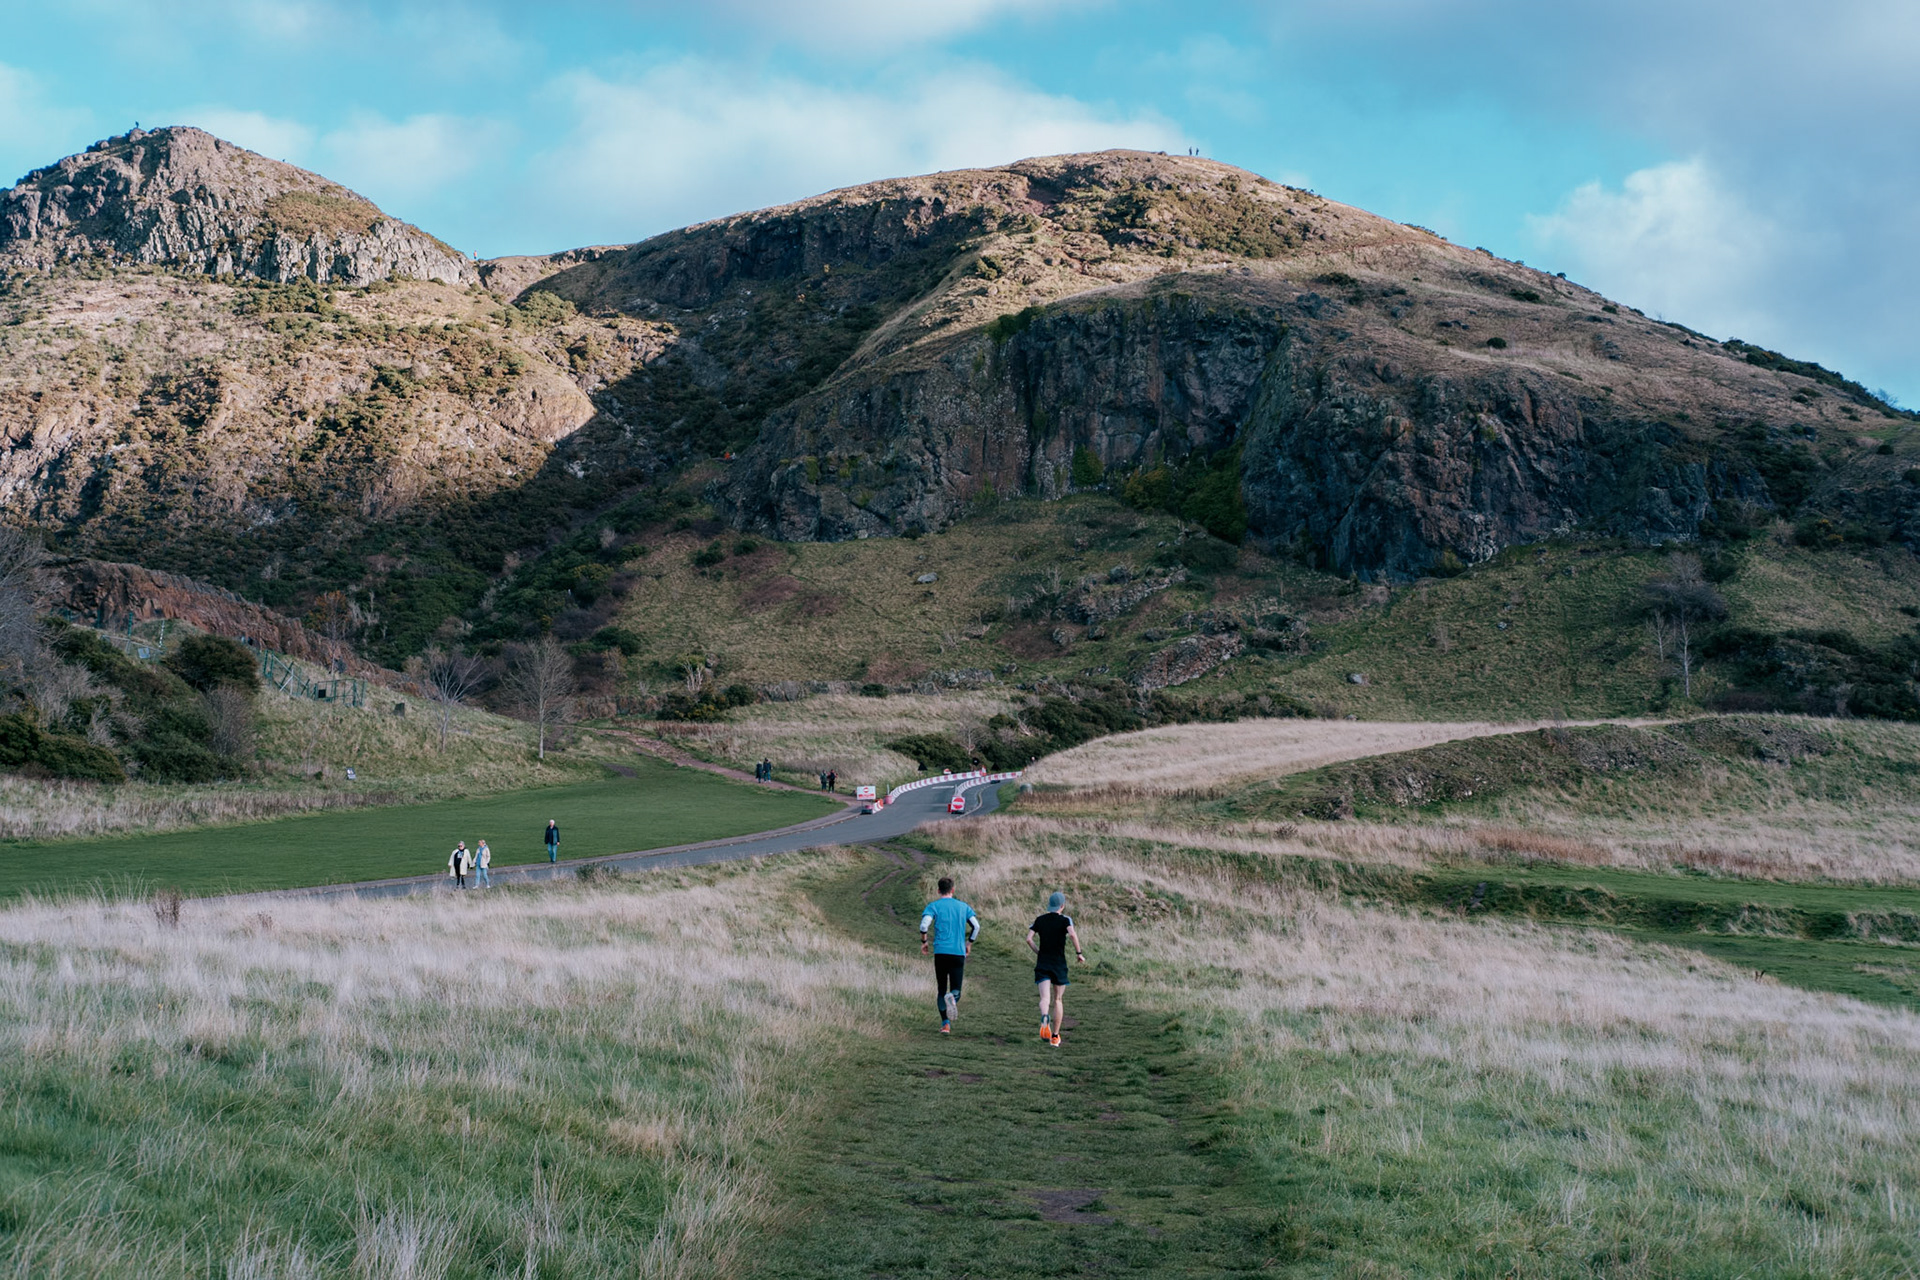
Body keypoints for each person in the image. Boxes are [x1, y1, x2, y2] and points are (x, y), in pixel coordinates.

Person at [919, 877, 980, 1034]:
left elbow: (924, 925)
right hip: (958, 952)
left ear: (938, 890)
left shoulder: (934, 906)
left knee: (941, 988)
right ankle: (952, 997)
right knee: (955, 989)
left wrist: (924, 941)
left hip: (940, 952)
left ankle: (945, 1024)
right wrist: (969, 943)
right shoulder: (963, 907)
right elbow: (976, 926)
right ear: (953, 890)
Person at [1027, 891, 1084, 1048]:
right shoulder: (1065, 920)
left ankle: (1045, 1017)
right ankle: (1055, 1037)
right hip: (1058, 964)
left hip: (1043, 962)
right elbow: (1072, 935)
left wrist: (1038, 952)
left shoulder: (1040, 920)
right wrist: (1079, 953)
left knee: (1045, 998)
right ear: (1062, 906)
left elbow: (1028, 938)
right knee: (1058, 999)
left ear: (1049, 905)